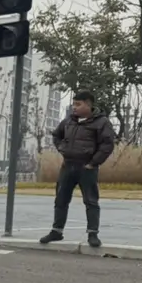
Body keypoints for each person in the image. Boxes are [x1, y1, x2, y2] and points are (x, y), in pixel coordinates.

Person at [40, 91, 116, 248]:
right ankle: (56, 231)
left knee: (91, 201)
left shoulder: (102, 122)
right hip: (67, 166)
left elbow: (107, 145)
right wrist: (62, 148)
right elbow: (56, 135)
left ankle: (93, 234)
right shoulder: (69, 121)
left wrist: (93, 163)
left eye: (78, 104)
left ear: (88, 104)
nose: (74, 107)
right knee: (61, 199)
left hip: (87, 167)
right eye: (73, 104)